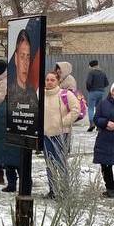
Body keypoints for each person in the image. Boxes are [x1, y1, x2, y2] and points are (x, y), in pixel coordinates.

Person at [42, 70, 81, 199]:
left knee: (61, 163)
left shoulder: (65, 94)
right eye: (47, 80)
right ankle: (52, 190)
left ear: (58, 81)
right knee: (49, 164)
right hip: (46, 135)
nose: (49, 82)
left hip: (61, 134)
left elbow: (76, 110)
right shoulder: (41, 94)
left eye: (52, 80)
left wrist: (63, 122)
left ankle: (64, 190)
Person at [85, 59, 109, 132]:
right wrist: (101, 88)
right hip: (101, 92)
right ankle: (99, 125)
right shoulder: (103, 73)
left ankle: (92, 124)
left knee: (91, 108)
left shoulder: (91, 72)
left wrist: (89, 89)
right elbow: (107, 83)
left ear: (91, 66)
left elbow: (88, 82)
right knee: (99, 109)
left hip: (92, 92)